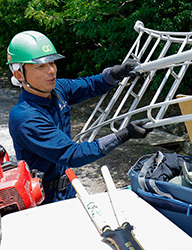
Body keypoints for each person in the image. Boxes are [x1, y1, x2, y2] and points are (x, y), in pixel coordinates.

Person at [7, 31, 151, 204]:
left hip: (68, 188)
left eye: (52, 63)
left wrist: (116, 73)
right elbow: (73, 154)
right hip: (44, 199)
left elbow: (90, 85)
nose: (51, 70)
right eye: (41, 66)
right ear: (19, 75)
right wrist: (124, 134)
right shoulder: (25, 118)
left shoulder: (57, 89)